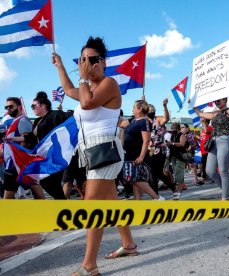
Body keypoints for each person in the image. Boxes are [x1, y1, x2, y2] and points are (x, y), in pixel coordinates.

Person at [53, 36, 137, 276]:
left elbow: (87, 104)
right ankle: (128, 244)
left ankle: (89, 266)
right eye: (82, 60)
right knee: (109, 202)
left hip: (105, 151)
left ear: (103, 61)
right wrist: (60, 65)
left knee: (92, 206)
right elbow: (70, 91)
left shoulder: (108, 83)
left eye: (92, 60)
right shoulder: (86, 87)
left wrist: (82, 77)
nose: (87, 64)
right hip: (91, 152)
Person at [14, 92, 69, 199]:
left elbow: (70, 123)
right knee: (47, 182)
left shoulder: (56, 115)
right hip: (46, 157)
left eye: (34, 106)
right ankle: (62, 203)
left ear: (43, 106)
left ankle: (63, 203)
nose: (32, 109)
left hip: (58, 155)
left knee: (49, 181)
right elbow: (31, 138)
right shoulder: (38, 121)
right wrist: (13, 139)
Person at [193, 85, 229, 200]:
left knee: (223, 170)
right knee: (209, 171)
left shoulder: (228, 112)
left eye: (219, 100)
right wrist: (193, 104)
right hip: (213, 142)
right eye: (215, 101)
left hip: (225, 141)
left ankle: (224, 197)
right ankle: (226, 190)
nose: (217, 102)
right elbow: (200, 113)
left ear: (225, 100)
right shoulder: (214, 113)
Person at [2, 97, 45, 200]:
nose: (8, 109)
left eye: (11, 106)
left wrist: (17, 161)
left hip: (16, 163)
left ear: (20, 107)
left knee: (7, 197)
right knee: (35, 189)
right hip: (18, 163)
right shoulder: (15, 121)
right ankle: (44, 211)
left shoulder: (22, 121)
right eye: (6, 107)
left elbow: (27, 141)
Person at [122, 100, 164, 200]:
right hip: (130, 154)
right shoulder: (134, 120)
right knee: (134, 180)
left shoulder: (144, 121)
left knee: (135, 179)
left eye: (134, 107)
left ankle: (157, 198)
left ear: (140, 109)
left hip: (137, 154)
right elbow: (121, 124)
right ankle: (138, 202)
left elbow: (146, 140)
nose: (132, 109)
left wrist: (141, 156)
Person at [167, 122, 187, 192]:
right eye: (172, 128)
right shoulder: (173, 135)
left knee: (179, 171)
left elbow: (182, 144)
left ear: (178, 129)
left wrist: (172, 143)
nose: (172, 130)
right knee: (176, 171)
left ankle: (179, 186)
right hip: (173, 156)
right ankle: (182, 185)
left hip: (180, 156)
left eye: (174, 128)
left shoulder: (182, 135)